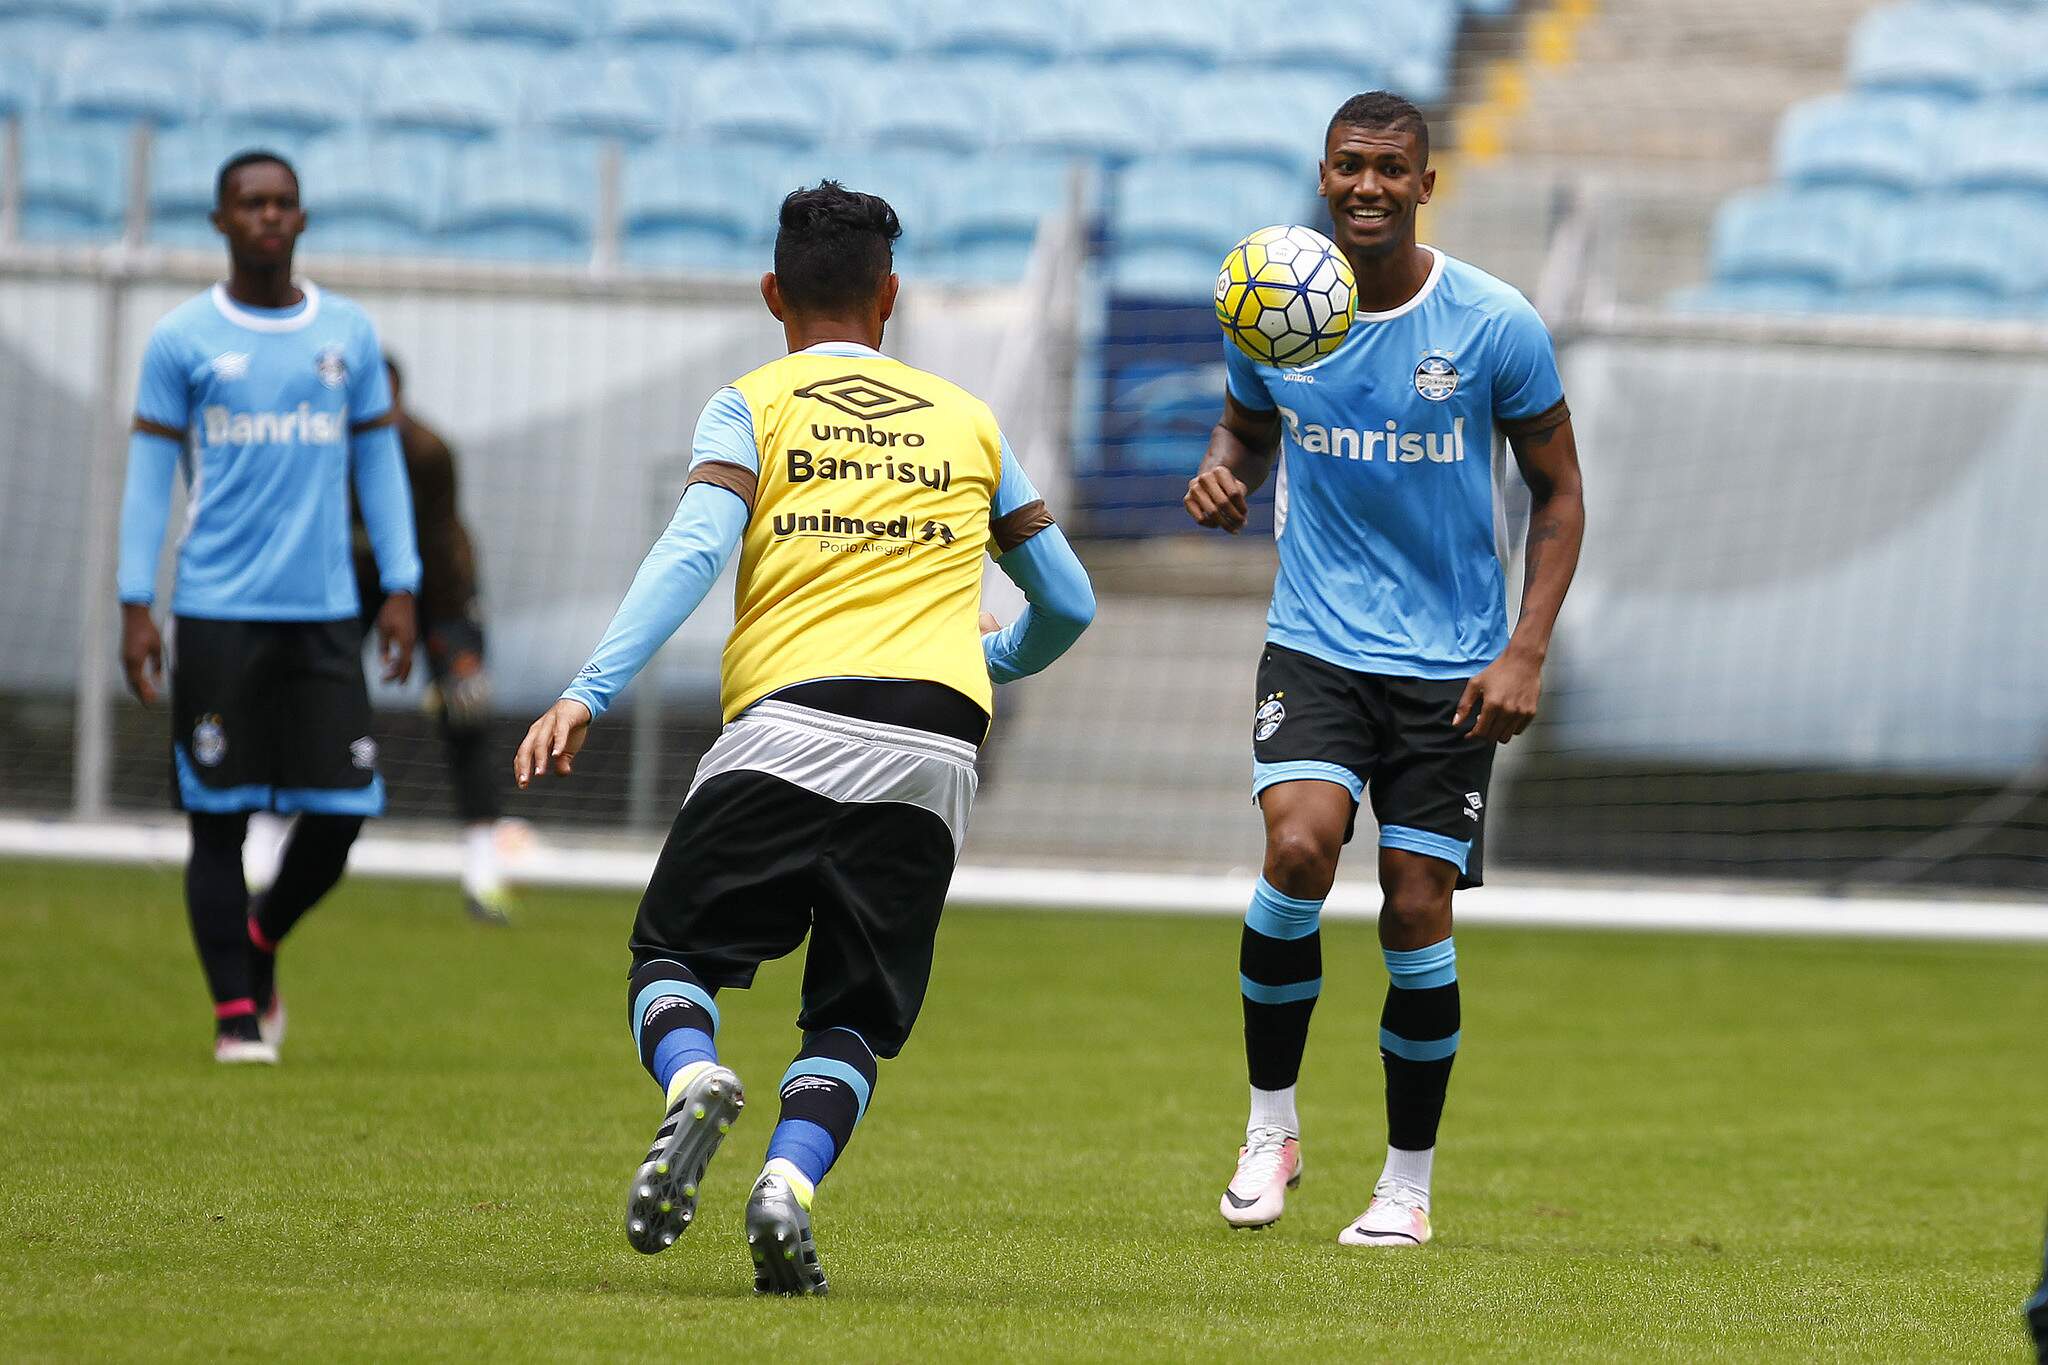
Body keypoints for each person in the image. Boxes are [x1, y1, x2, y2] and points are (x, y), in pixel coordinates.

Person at [515, 182, 1094, 1294]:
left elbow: (691, 553)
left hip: (788, 725)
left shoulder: (753, 402)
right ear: (891, 297)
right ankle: (786, 1184)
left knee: (672, 959)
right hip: (936, 747)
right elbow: (1066, 602)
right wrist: (987, 659)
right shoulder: (965, 418)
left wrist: (589, 690)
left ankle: (691, 1088)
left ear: (772, 292)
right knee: (852, 1018)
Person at [1185, 92, 1586, 1247]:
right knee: (1298, 845)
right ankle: (1271, 1129)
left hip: (1455, 665)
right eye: (1349, 166)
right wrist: (1222, 469)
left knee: (1413, 908)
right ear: (1323, 174)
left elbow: (1559, 492)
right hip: (1314, 640)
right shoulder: (1266, 303)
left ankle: (1405, 1186)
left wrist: (1524, 647)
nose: (1367, 185)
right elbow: (1244, 429)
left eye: (1390, 169)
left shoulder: (1491, 322)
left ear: (1425, 184)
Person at [118, 150, 420, 1065]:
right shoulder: (182, 340)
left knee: (344, 809)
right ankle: (234, 1019)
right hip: (215, 611)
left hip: (325, 613)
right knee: (218, 817)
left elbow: (380, 466)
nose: (268, 216)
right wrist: (138, 603)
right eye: (250, 203)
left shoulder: (350, 335)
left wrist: (402, 584)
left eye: (284, 202)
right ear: (219, 220)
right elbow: (146, 480)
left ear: (302, 218)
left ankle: (259, 935)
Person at [354, 355, 513, 925]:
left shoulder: (427, 453)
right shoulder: (328, 449)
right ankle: (265, 858)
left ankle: (483, 876)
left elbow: (444, 544)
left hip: (436, 585)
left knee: (467, 715)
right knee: (308, 700)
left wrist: (456, 646)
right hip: (357, 577)